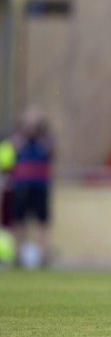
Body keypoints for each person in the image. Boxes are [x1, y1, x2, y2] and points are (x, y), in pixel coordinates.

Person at [9, 107, 54, 268]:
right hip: (21, 184)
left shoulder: (46, 136)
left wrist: (38, 136)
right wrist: (26, 134)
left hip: (40, 184)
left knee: (42, 220)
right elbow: (14, 149)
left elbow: (51, 151)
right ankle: (18, 255)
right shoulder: (19, 135)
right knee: (19, 219)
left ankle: (43, 255)